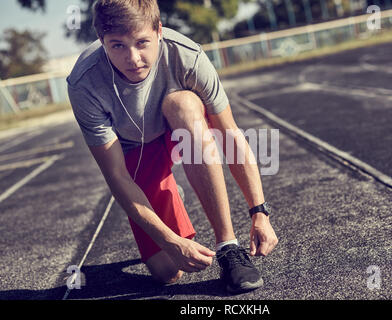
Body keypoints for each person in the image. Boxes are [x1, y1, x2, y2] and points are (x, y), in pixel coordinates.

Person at [67, 0, 278, 294]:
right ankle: (169, 193)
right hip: (137, 150)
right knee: (168, 271)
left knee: (183, 104)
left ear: (159, 31)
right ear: (101, 41)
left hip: (182, 129)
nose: (133, 58)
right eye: (117, 46)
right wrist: (171, 241)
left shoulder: (187, 55)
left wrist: (260, 212)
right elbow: (117, 176)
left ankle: (229, 248)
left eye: (142, 42)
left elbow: (229, 134)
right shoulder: (84, 83)